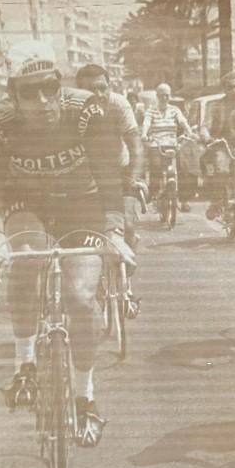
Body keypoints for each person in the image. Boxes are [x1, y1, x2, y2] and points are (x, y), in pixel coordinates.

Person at [0, 41, 130, 446]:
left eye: (50, 86)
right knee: (25, 263)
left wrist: (115, 231)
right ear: (13, 93)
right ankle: (24, 364)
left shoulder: (87, 112)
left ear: (60, 84)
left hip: (84, 206)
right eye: (30, 91)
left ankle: (85, 397)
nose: (43, 99)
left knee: (81, 299)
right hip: (28, 206)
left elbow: (110, 175)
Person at [76, 63, 144, 317]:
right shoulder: (73, 109)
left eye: (103, 88)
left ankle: (127, 286)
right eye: (93, 91)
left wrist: (134, 178)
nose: (100, 95)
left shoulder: (118, 105)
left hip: (120, 170)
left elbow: (136, 145)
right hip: (86, 175)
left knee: (127, 225)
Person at [203, 70, 235, 220]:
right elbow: (205, 125)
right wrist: (206, 136)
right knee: (222, 171)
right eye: (230, 87)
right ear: (224, 88)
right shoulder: (217, 106)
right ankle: (217, 202)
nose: (234, 90)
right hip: (222, 146)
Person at [139, 83, 195, 211]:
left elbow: (182, 121)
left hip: (173, 143)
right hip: (156, 144)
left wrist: (189, 132)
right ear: (157, 96)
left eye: (167, 95)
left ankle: (184, 200)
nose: (165, 98)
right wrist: (144, 134)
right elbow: (146, 123)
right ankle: (154, 193)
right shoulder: (151, 110)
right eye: (162, 95)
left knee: (183, 168)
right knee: (155, 166)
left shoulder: (175, 110)